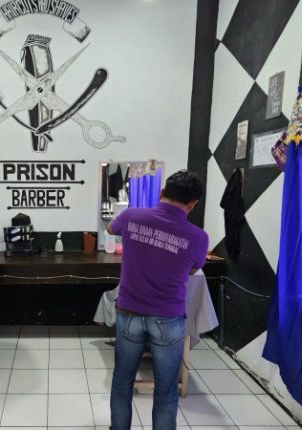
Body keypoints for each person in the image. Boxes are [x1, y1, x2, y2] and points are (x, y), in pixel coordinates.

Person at [107, 170, 209, 430]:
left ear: (162, 193)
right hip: (168, 318)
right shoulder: (199, 237)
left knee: (122, 382)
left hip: (129, 313)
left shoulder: (131, 216)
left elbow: (110, 228)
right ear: (193, 203)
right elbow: (192, 270)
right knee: (166, 389)